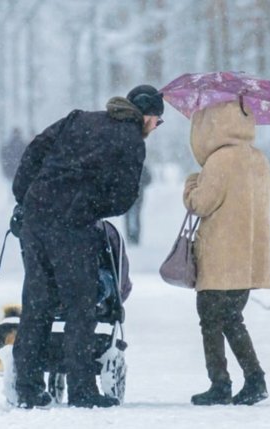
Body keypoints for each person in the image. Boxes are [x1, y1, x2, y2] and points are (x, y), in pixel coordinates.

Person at [10, 84, 164, 409]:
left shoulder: (78, 119)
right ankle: (82, 390)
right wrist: (88, 207)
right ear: (148, 116)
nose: (154, 128)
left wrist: (25, 198)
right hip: (71, 227)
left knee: (37, 302)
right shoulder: (132, 140)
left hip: (36, 219)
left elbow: (34, 151)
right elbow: (124, 197)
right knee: (81, 305)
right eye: (157, 122)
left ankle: (27, 388)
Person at [182, 100, 270, 406]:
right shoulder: (259, 160)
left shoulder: (219, 161)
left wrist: (191, 184)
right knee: (233, 318)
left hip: (221, 259)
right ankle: (254, 378)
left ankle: (221, 382)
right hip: (248, 259)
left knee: (210, 319)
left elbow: (199, 205)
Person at [124, 165, 152, 244]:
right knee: (135, 216)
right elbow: (149, 179)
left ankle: (131, 236)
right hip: (136, 195)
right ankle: (134, 237)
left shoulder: (125, 166)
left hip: (128, 196)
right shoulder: (141, 166)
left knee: (129, 216)